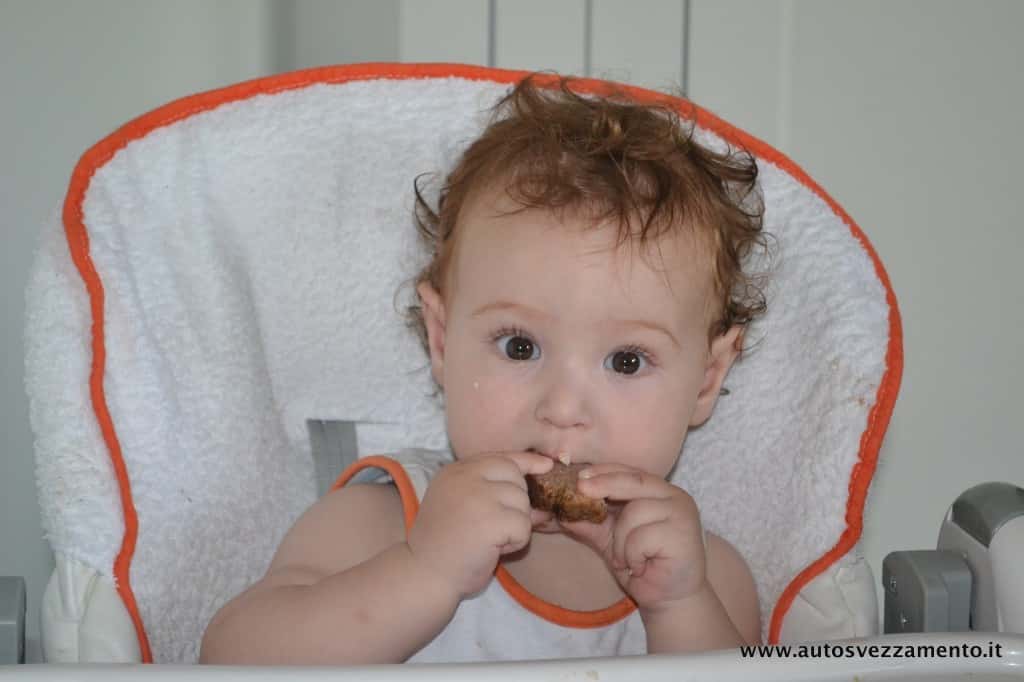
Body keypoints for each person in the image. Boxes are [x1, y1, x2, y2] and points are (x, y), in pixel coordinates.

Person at [200, 72, 771, 665]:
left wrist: (678, 609)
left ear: (707, 378)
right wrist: (424, 570)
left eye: (627, 361)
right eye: (520, 347)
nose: (563, 408)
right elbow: (228, 661)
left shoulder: (702, 577)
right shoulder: (385, 523)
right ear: (442, 340)